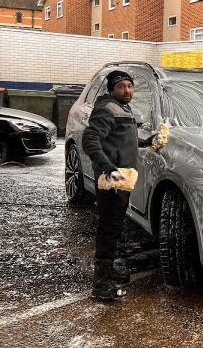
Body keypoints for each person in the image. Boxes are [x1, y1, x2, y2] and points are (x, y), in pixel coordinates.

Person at [83, 70, 138, 301]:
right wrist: (109, 168)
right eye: (121, 87)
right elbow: (90, 140)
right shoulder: (107, 108)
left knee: (115, 227)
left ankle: (108, 270)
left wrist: (146, 141)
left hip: (122, 177)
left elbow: (119, 138)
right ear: (111, 90)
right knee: (109, 229)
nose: (127, 90)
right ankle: (101, 285)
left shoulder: (122, 107)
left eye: (129, 86)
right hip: (112, 179)